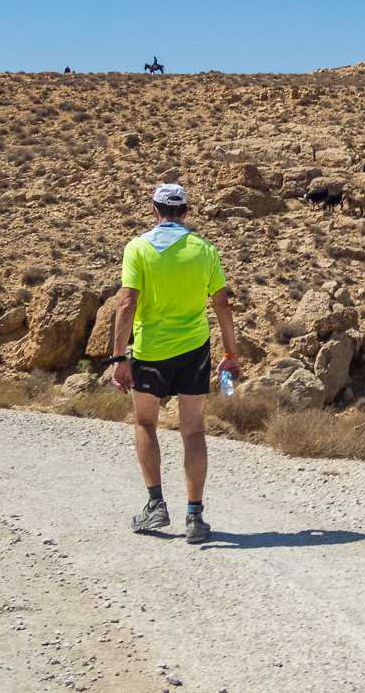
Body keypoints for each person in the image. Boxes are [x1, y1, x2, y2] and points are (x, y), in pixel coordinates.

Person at [110, 183, 241, 544]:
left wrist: (119, 357)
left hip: (150, 351)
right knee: (193, 431)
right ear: (185, 212)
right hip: (194, 351)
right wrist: (230, 354)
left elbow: (126, 304)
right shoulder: (205, 250)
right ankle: (195, 516)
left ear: (154, 211)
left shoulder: (137, 248)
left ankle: (156, 504)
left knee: (145, 422)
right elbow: (223, 306)